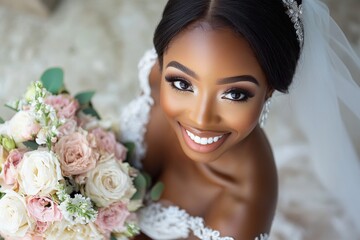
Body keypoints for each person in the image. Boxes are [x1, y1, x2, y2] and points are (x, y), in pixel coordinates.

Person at [119, 0, 360, 239]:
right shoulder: (155, 76)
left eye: (234, 94)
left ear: (270, 89)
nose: (201, 119)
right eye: (182, 84)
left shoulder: (242, 209)